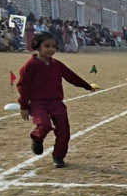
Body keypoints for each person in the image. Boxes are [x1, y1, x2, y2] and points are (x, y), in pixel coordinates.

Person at [16, 32, 96, 168]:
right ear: (38, 46)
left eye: (54, 46)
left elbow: (71, 76)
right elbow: (23, 86)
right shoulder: (30, 65)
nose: (51, 49)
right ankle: (37, 137)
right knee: (45, 125)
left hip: (56, 103)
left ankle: (58, 156)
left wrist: (86, 85)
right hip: (38, 104)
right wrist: (24, 106)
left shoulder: (57, 64)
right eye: (47, 46)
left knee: (64, 130)